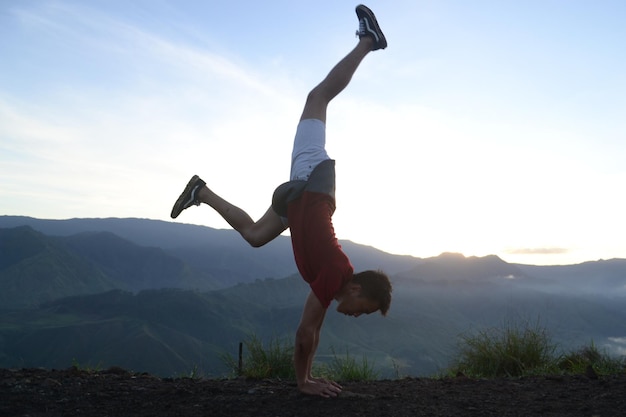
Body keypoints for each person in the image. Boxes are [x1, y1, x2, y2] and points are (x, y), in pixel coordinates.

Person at [171, 4, 392, 398]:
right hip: (311, 183)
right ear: (358, 291)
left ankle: (199, 191)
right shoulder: (336, 272)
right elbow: (305, 331)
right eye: (367, 309)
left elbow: (315, 330)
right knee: (318, 96)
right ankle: (368, 40)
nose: (360, 317)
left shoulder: (335, 280)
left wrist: (309, 375)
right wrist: (304, 383)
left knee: (255, 235)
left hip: (298, 201)